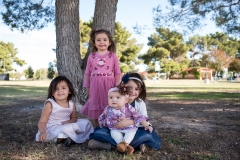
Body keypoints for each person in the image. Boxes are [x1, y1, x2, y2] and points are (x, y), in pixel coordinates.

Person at [88, 72, 161, 152]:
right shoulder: (115, 98)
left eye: (136, 89)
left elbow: (143, 119)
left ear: (140, 91)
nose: (133, 92)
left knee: (147, 133)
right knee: (101, 132)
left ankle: (113, 146)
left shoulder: (140, 103)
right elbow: (106, 115)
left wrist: (130, 122)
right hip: (115, 129)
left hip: (132, 130)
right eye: (129, 88)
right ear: (123, 87)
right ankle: (131, 146)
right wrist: (104, 122)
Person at [35, 76, 94, 147]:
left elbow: (74, 118)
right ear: (52, 93)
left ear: (69, 91)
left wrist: (69, 122)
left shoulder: (71, 104)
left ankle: (69, 138)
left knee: (86, 123)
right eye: (56, 89)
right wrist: (42, 132)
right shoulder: (50, 104)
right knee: (61, 132)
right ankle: (65, 139)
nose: (60, 91)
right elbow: (42, 122)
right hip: (54, 127)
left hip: (67, 124)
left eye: (63, 88)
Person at [81, 29, 121, 127]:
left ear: (109, 42)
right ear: (94, 43)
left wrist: (117, 87)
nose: (102, 42)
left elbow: (117, 73)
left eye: (104, 39)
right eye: (98, 40)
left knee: (109, 105)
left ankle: (109, 128)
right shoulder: (92, 56)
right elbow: (87, 74)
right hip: (95, 85)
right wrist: (87, 87)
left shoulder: (113, 56)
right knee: (95, 106)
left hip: (109, 86)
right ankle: (97, 129)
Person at [98, 85, 153, 155]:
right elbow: (102, 116)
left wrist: (146, 125)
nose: (114, 100)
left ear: (126, 100)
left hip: (129, 128)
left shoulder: (128, 108)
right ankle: (125, 147)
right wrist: (101, 122)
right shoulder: (108, 108)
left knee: (131, 134)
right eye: (111, 97)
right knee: (114, 134)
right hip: (115, 128)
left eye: (118, 97)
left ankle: (124, 145)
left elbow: (138, 116)